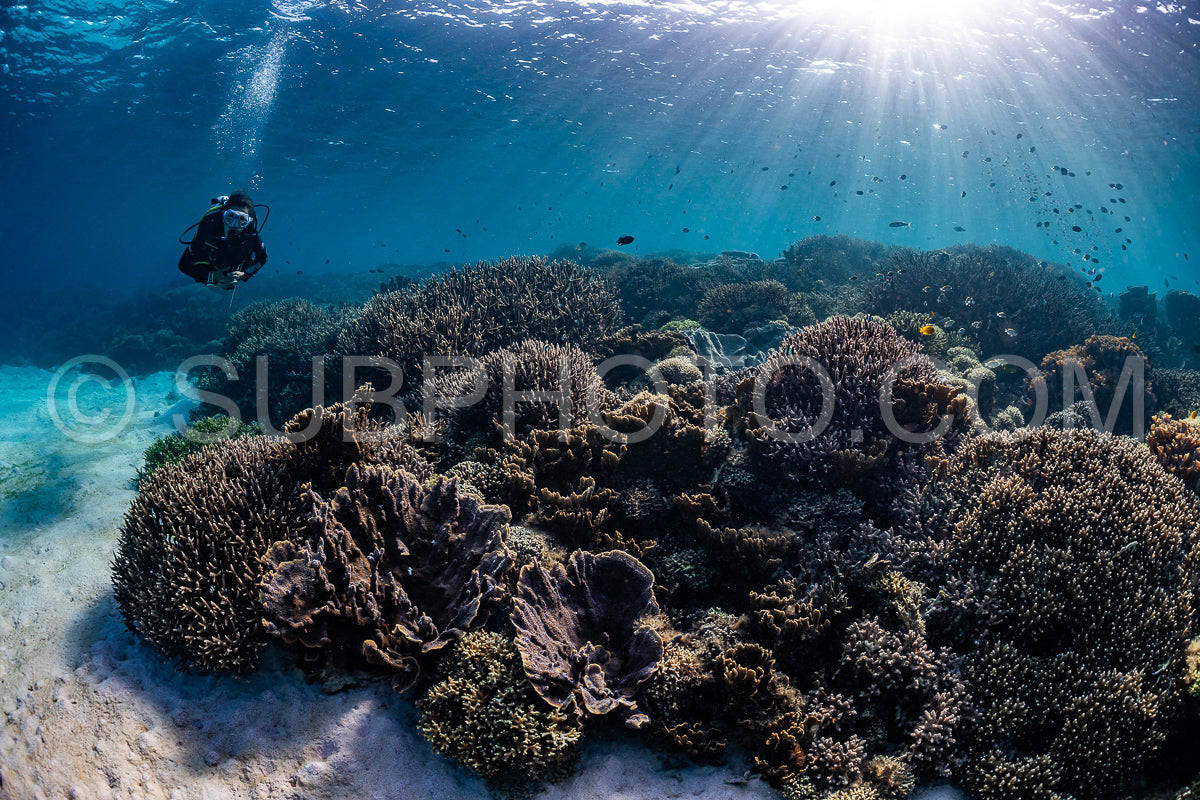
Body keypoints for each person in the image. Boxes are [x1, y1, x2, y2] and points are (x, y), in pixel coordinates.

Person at [178, 190, 268, 289]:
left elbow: (263, 257)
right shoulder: (208, 230)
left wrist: (244, 274)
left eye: (242, 220)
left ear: (248, 222)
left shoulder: (251, 235)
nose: (234, 225)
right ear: (222, 216)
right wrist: (213, 276)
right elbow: (184, 264)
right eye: (230, 217)